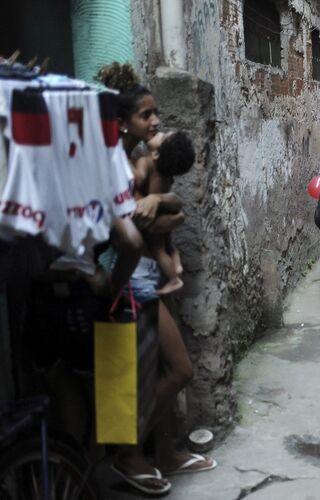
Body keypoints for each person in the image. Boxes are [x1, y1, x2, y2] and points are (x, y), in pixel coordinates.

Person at [96, 62, 215, 495]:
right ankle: (126, 450)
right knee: (173, 369)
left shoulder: (137, 159)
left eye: (154, 113)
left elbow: (169, 209)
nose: (155, 121)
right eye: (146, 115)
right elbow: (140, 226)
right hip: (125, 277)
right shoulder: (120, 164)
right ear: (122, 121)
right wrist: (162, 219)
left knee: (161, 367)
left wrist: (167, 208)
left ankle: (161, 452)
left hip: (143, 274)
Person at [142, 130, 196, 295]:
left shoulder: (151, 169)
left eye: (162, 136)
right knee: (169, 245)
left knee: (159, 250)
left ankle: (174, 279)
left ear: (156, 154)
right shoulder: (167, 177)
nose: (159, 132)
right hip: (164, 215)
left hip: (156, 218)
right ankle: (177, 267)